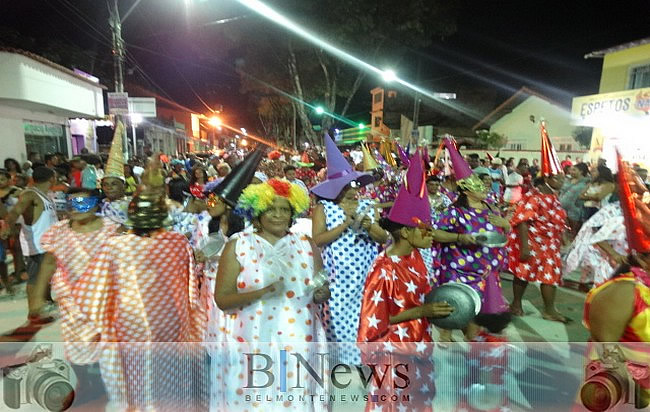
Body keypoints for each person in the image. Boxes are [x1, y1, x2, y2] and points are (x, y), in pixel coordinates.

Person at [77, 190, 208, 410]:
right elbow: (191, 283)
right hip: (173, 320)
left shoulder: (116, 246)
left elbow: (93, 291)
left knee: (139, 371)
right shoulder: (178, 242)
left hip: (132, 322)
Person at [215, 179, 330, 411]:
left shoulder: (306, 244)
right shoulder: (238, 245)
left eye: (284, 209)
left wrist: (320, 292)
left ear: (293, 213)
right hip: (253, 341)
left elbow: (321, 288)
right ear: (256, 212)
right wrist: (262, 292)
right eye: (271, 208)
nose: (278, 215)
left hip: (298, 339)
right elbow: (222, 299)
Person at [357, 151, 453, 412]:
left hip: (420, 346)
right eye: (426, 230)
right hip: (395, 352)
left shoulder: (417, 257)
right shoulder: (383, 269)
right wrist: (423, 311)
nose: (432, 235)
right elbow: (374, 321)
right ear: (408, 232)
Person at [311, 133, 388, 364]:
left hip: (365, 276)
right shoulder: (324, 209)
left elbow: (382, 238)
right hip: (337, 278)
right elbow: (318, 240)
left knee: (364, 317)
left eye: (356, 184)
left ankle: (362, 359)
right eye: (349, 185)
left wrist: (368, 225)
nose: (354, 189)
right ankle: (336, 362)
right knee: (336, 318)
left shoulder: (368, 205)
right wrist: (346, 223)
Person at [433, 139, 511, 340]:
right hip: (459, 271)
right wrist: (460, 236)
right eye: (477, 186)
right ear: (466, 190)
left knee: (478, 313)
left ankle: (473, 347)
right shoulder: (454, 212)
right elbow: (436, 234)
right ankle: (446, 335)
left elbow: (501, 236)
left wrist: (506, 225)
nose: (484, 188)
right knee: (456, 308)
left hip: (486, 272)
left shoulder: (491, 209)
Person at [507, 174, 568, 322]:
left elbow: (557, 218)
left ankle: (549, 310)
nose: (562, 181)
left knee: (551, 275)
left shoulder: (553, 195)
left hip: (550, 243)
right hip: (533, 240)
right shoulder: (534, 196)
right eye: (558, 178)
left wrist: (563, 236)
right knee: (524, 273)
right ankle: (516, 304)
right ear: (547, 179)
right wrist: (524, 247)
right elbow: (522, 222)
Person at [1, 166, 58, 320]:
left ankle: (46, 301)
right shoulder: (30, 194)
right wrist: (7, 227)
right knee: (35, 278)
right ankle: (34, 312)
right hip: (37, 245)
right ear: (52, 178)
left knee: (46, 275)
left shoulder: (45, 195)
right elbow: (15, 211)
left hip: (48, 244)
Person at [558, 163, 590, 237]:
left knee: (574, 236)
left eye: (574, 170)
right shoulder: (567, 180)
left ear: (581, 172)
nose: (571, 172)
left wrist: (573, 210)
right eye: (571, 170)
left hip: (575, 214)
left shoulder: (585, 184)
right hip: (562, 212)